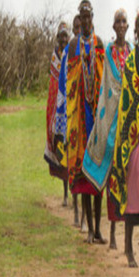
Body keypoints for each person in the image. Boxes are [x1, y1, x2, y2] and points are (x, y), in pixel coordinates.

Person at [83, 8, 132, 251]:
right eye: (118, 22)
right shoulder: (109, 53)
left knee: (121, 179)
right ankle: (103, 230)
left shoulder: (132, 53)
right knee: (106, 174)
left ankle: (116, 233)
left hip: (126, 121)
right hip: (108, 119)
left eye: (124, 21)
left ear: (128, 26)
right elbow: (106, 88)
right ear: (113, 27)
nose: (121, 25)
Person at [112, 7, 139, 267]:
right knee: (132, 186)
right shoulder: (130, 63)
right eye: (137, 26)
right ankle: (128, 248)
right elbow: (126, 102)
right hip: (134, 136)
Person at [65, 0, 106, 244]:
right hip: (80, 118)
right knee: (83, 178)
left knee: (97, 175)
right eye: (82, 16)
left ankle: (98, 229)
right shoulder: (72, 46)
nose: (86, 20)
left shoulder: (100, 43)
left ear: (93, 17)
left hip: (97, 116)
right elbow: (69, 81)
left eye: (89, 16)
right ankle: (89, 229)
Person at [57, 14, 82, 227]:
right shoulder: (67, 53)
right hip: (70, 115)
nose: (77, 31)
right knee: (71, 161)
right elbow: (62, 88)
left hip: (86, 115)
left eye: (80, 27)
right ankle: (74, 206)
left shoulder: (92, 49)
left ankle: (83, 213)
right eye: (75, 27)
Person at [45, 22, 70, 205]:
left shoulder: (71, 54)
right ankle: (65, 194)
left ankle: (72, 195)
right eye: (60, 36)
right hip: (57, 110)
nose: (63, 39)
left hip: (70, 109)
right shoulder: (55, 58)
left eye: (65, 36)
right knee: (60, 150)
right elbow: (54, 87)